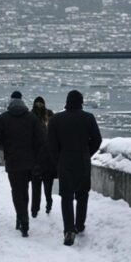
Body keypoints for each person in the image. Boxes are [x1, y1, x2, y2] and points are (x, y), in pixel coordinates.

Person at [47, 90, 102, 246]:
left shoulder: (56, 119)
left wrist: (59, 159)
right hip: (83, 162)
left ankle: (69, 230)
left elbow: (51, 145)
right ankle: (79, 224)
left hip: (65, 162)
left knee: (66, 197)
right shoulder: (88, 118)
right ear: (81, 102)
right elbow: (97, 140)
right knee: (82, 195)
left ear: (67, 101)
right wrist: (87, 153)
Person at [0, 91, 46, 237]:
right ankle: (22, 217)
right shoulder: (32, 118)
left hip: (12, 161)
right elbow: (41, 141)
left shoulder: (3, 118)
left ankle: (22, 218)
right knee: (24, 190)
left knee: (16, 191)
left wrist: (6, 148)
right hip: (29, 162)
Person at [30, 96, 56, 217]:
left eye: (41, 103)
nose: (39, 105)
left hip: (47, 157)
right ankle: (35, 209)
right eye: (37, 103)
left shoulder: (49, 115)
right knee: (36, 186)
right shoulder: (31, 116)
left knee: (47, 185)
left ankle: (48, 202)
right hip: (37, 156)